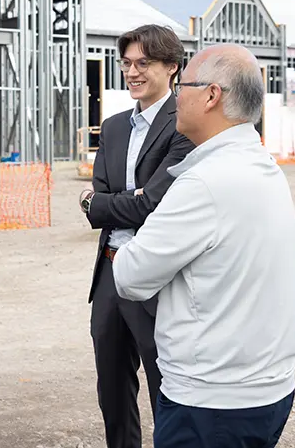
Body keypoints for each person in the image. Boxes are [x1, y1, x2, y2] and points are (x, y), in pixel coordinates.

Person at [112, 44, 295, 448]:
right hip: (266, 388)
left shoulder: (203, 182)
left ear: (212, 95)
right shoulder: (263, 167)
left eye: (183, 86)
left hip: (211, 402)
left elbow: (129, 275)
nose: (176, 97)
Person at [77, 24, 195, 448]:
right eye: (126, 63)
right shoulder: (112, 128)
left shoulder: (184, 125)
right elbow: (107, 199)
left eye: (143, 63)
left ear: (172, 67)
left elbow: (153, 204)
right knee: (112, 387)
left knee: (166, 384)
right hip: (110, 271)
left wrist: (106, 203)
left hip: (157, 274)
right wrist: (126, 200)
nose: (132, 72)